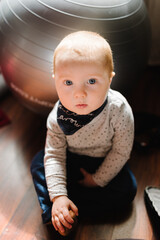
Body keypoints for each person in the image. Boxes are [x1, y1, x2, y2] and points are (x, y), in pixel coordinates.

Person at [31, 31, 137, 235]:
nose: (79, 93)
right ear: (55, 80)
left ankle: (67, 210)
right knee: (39, 162)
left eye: (91, 81)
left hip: (104, 159)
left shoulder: (119, 110)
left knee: (127, 189)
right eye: (68, 83)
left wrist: (97, 179)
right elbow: (54, 155)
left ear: (109, 79)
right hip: (71, 159)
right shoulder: (57, 117)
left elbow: (121, 151)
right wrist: (59, 195)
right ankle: (59, 206)